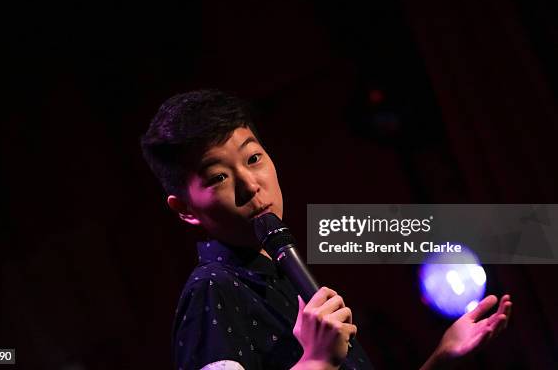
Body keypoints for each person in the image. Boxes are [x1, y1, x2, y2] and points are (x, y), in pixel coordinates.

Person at [140, 90, 512, 370]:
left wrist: (442, 357)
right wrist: (316, 361)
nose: (251, 184)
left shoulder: (281, 273)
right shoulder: (212, 289)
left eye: (254, 158)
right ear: (185, 209)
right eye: (219, 176)